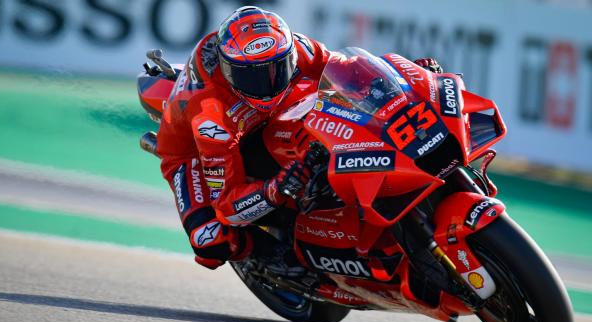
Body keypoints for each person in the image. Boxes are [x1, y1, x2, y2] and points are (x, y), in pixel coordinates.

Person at [155, 6, 443, 272]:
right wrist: (275, 189)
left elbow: (352, 70)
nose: (267, 84)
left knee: (326, 125)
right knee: (210, 240)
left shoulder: (299, 48)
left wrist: (407, 78)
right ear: (228, 71)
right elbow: (227, 206)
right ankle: (274, 259)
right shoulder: (210, 115)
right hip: (193, 152)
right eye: (251, 77)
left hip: (268, 119)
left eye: (277, 69)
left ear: (290, 54)